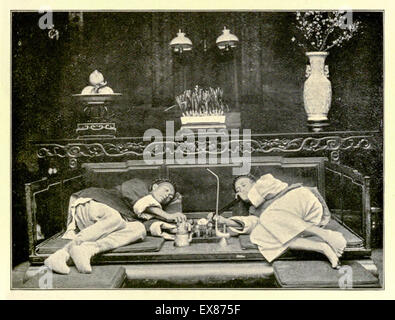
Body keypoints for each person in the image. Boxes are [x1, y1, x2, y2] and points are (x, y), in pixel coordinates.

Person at [44, 178, 186, 274]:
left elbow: (150, 225)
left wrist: (171, 227)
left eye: (170, 197)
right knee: (115, 218)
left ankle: (88, 250)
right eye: (166, 190)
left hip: (103, 226)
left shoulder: (150, 213)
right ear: (155, 186)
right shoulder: (138, 185)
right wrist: (167, 216)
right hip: (92, 203)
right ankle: (62, 254)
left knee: (139, 229)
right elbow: (141, 203)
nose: (167, 195)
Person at [211, 173, 346, 269]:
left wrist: (246, 195)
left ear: (254, 182)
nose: (242, 190)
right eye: (238, 190)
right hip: (295, 223)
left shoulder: (266, 182)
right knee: (259, 235)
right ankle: (322, 248)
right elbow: (252, 223)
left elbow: (263, 192)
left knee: (267, 217)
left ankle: (327, 235)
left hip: (304, 203)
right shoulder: (255, 209)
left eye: (244, 185)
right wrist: (226, 221)